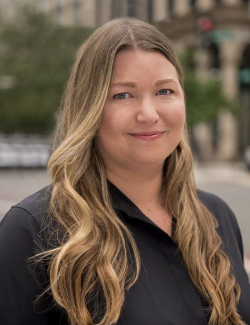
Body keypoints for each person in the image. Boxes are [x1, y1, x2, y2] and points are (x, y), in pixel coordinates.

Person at [0, 18, 249, 325]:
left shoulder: (217, 215)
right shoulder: (32, 232)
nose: (148, 114)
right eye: (122, 95)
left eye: (165, 91)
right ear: (88, 109)